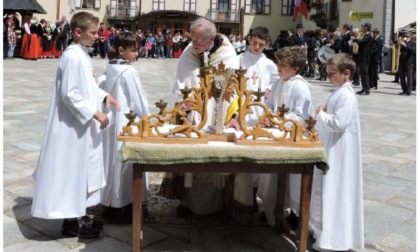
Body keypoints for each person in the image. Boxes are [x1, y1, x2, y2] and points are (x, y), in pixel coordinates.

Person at [31, 11, 121, 239]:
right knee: (71, 171)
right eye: (93, 32)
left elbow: (86, 86)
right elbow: (70, 94)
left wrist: (103, 96)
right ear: (78, 32)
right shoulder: (72, 56)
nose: (97, 36)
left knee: (81, 170)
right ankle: (70, 222)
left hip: (81, 126)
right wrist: (95, 113)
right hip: (71, 127)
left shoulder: (81, 53)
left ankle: (80, 215)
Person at [161, 17, 238, 216]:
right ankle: (186, 202)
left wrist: (231, 114)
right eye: (192, 39)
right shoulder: (189, 52)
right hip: (192, 115)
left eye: (199, 40)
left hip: (216, 116)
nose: (194, 44)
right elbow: (182, 81)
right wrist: (182, 104)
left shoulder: (227, 54)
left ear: (212, 37)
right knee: (189, 159)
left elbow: (231, 89)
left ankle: (217, 204)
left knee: (214, 160)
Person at [310, 53, 364, 251]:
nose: (328, 78)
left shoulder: (346, 95)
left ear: (346, 73)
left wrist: (321, 114)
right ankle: (326, 234)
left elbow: (339, 123)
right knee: (330, 189)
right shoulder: (339, 91)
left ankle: (334, 239)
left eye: (332, 74)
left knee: (336, 190)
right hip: (334, 146)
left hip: (340, 149)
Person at [256, 46, 312, 227]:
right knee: (269, 175)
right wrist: (267, 117)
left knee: (289, 181)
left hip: (292, 137)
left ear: (295, 68)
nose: (278, 67)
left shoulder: (300, 87)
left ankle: (288, 211)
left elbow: (302, 117)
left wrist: (276, 121)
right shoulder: (278, 83)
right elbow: (270, 105)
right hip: (276, 134)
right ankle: (270, 207)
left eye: (283, 64)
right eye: (278, 63)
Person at [99, 32, 151, 220]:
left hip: (112, 121)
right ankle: (128, 203)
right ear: (122, 51)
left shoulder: (109, 69)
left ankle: (111, 202)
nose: (137, 54)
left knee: (111, 160)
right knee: (127, 161)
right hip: (128, 121)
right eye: (134, 50)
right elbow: (138, 100)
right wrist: (148, 118)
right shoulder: (129, 72)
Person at [352, 23, 373, 95]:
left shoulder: (368, 35)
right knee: (362, 74)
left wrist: (355, 39)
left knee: (364, 74)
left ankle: (367, 90)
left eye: (363, 27)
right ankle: (363, 88)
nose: (362, 28)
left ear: (367, 28)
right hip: (361, 56)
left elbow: (362, 42)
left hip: (365, 57)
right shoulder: (364, 35)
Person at [397, 31, 416, 95]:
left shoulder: (413, 43)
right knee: (401, 77)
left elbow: (412, 51)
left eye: (407, 36)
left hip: (409, 62)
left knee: (409, 76)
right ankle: (404, 89)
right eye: (404, 36)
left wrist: (405, 45)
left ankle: (408, 91)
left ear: (410, 36)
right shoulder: (403, 42)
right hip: (402, 61)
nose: (405, 37)